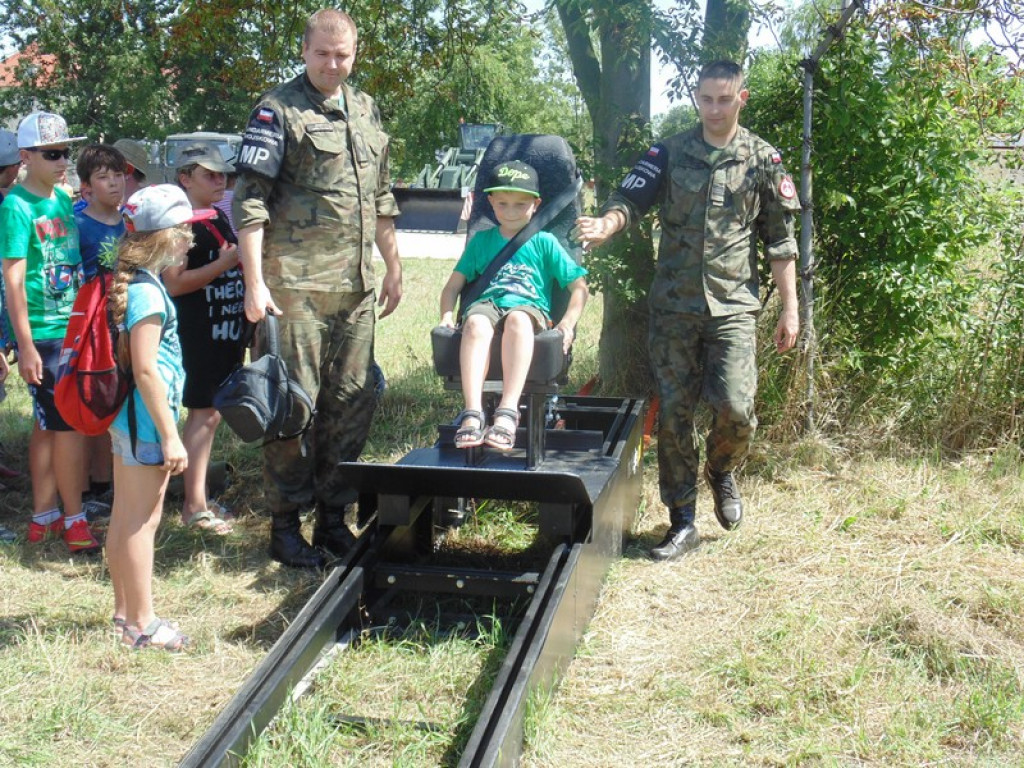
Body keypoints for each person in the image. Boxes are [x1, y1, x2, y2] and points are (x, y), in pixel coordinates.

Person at [573, 60, 801, 561]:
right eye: (706, 99)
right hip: (674, 307)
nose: (714, 109)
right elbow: (629, 199)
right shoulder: (670, 152)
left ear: (741, 99)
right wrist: (607, 225)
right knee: (674, 416)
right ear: (696, 98)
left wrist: (790, 309)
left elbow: (781, 242)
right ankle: (682, 521)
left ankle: (722, 469)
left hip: (734, 306)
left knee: (736, 408)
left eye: (725, 99)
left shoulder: (762, 159)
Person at [234, 8, 403, 569]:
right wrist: (254, 284)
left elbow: (381, 199)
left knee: (350, 405)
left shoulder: (366, 108)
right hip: (294, 291)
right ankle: (285, 527)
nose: (334, 64)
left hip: (355, 291)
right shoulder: (275, 110)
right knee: (293, 411)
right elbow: (250, 200)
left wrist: (394, 266)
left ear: (355, 54)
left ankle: (334, 520)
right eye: (323, 54)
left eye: (344, 54)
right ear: (304, 51)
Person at [106, 184, 214, 651]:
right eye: (187, 230)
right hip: (147, 424)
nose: (192, 239)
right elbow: (147, 369)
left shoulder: (138, 283)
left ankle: (124, 615)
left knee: (123, 517)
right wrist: (172, 437)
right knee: (142, 522)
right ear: (166, 237)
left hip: (130, 421)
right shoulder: (149, 296)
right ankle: (144, 624)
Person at [0, 111, 101, 554]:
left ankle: (44, 516)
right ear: (25, 157)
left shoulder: (62, 198)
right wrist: (24, 345)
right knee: (69, 428)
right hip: (44, 333)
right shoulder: (15, 207)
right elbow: (14, 280)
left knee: (48, 426)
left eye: (66, 151)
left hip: (71, 326)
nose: (63, 160)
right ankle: (75, 517)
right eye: (52, 153)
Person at [439, 161, 588, 450]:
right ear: (491, 202)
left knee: (518, 320)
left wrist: (567, 323)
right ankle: (473, 412)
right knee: (475, 322)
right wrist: (447, 314)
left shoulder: (545, 242)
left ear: (536, 204)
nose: (510, 211)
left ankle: (507, 412)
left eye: (520, 204)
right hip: (488, 303)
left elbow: (578, 288)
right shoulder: (482, 242)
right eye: (503, 203)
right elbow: (452, 286)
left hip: (528, 306)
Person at [161, 143, 243, 534]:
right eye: (209, 174)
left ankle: (200, 498)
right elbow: (174, 284)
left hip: (224, 332)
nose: (221, 180)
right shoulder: (180, 225)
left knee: (211, 414)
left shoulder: (216, 216)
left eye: (223, 173)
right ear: (184, 178)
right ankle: (194, 507)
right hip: (198, 334)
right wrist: (221, 264)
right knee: (203, 414)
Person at [74, 144, 129, 520]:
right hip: (92, 329)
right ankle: (92, 486)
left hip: (126, 324)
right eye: (103, 177)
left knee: (122, 400)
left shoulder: (132, 222)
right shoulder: (78, 226)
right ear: (86, 188)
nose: (114, 183)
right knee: (95, 399)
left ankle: (117, 482)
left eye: (118, 174)